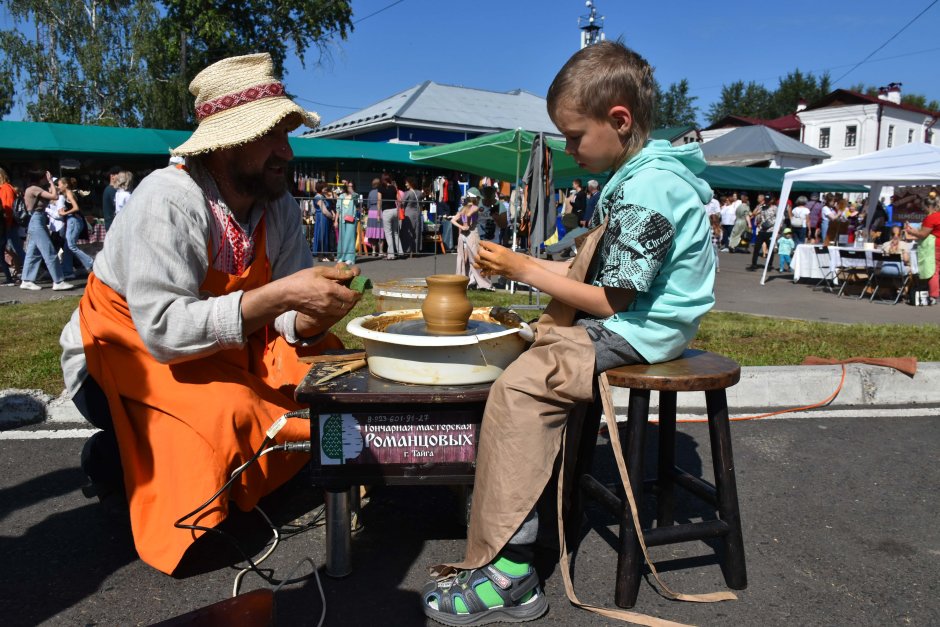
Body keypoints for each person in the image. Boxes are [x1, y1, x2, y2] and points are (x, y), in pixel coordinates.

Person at [422, 41, 715, 625]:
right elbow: (593, 276)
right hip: (639, 318)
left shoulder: (647, 189)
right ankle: (513, 497)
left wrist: (527, 271)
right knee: (527, 350)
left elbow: (613, 298)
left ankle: (511, 568)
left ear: (619, 120)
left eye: (575, 136)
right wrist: (519, 266)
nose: (569, 149)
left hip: (645, 330)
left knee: (522, 388)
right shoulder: (637, 177)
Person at [58, 53, 361, 575]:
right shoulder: (168, 200)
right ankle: (113, 462)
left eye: (286, 135)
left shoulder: (279, 205)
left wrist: (315, 313)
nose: (286, 152)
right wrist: (282, 295)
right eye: (271, 136)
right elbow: (164, 332)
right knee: (232, 413)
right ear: (226, 144)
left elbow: (286, 326)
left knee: (328, 380)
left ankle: (230, 473)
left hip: (222, 348)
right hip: (122, 355)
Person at [20, 170, 73, 291]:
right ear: (41, 178)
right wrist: (50, 182)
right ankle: (58, 281)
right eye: (45, 178)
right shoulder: (34, 188)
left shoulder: (31, 188)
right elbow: (54, 196)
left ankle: (27, 280)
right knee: (49, 251)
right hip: (37, 220)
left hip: (36, 220)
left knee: (33, 252)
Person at [450, 188, 493, 291]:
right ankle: (483, 284)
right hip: (472, 234)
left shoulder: (462, 208)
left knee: (462, 259)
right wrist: (467, 224)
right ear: (475, 198)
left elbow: (453, 220)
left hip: (462, 235)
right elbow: (469, 215)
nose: (479, 200)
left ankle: (462, 281)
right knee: (476, 259)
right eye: (478, 198)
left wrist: (461, 226)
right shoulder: (475, 207)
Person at [57, 176, 96, 278]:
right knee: (67, 247)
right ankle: (67, 271)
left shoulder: (69, 193)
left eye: (60, 184)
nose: (58, 186)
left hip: (73, 220)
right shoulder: (67, 194)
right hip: (73, 220)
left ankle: (90, 262)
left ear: (65, 185)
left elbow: (76, 207)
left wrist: (65, 213)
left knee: (71, 245)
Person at [905, 196, 940, 306]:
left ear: (929, 206)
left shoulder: (931, 218)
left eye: (923, 207)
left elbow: (922, 234)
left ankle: (934, 296)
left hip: (935, 247)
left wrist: (911, 231)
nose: (922, 209)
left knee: (933, 271)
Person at [748, 196, 777, 271]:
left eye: (768, 200)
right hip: (761, 230)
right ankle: (754, 264)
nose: (766, 202)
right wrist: (758, 217)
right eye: (765, 200)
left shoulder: (775, 208)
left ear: (772, 200)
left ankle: (769, 265)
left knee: (770, 249)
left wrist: (772, 225)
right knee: (756, 248)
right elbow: (756, 216)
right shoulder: (762, 207)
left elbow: (781, 218)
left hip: (770, 231)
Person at [335, 181, 359, 264]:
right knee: (342, 238)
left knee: (350, 238)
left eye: (352, 186)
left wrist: (351, 190)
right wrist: (336, 221)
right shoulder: (341, 196)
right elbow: (338, 208)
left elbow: (356, 199)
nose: (350, 188)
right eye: (349, 186)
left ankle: (350, 258)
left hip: (351, 219)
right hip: (342, 219)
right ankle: (341, 257)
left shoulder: (355, 195)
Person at [378, 173, 402, 259]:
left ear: (383, 179)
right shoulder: (393, 188)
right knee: (395, 232)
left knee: (388, 233)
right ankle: (400, 252)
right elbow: (399, 200)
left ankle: (391, 254)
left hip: (386, 211)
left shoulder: (381, 188)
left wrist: (378, 214)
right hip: (395, 210)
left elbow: (379, 201)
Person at [399, 176, 423, 256]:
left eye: (407, 182)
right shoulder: (419, 193)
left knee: (407, 232)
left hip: (409, 213)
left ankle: (407, 250)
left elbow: (402, 203)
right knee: (416, 231)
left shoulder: (407, 193)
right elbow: (421, 204)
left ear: (411, 183)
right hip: (418, 213)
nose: (405, 184)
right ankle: (415, 250)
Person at [311, 180, 334, 261]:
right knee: (322, 235)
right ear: (321, 188)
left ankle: (325, 255)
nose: (326, 188)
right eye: (324, 187)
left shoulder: (322, 196)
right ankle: (321, 256)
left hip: (324, 218)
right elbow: (324, 210)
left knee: (325, 235)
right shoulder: (318, 197)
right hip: (322, 218)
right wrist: (332, 217)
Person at [365, 178, 385, 257]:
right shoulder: (381, 192)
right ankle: (381, 251)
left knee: (373, 233)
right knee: (380, 232)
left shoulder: (370, 192)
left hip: (371, 212)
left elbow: (368, 204)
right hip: (379, 211)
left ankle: (373, 251)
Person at [102, 166, 120, 231]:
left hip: (111, 222)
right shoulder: (111, 190)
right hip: (112, 223)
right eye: (119, 176)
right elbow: (118, 206)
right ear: (112, 176)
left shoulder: (110, 189)